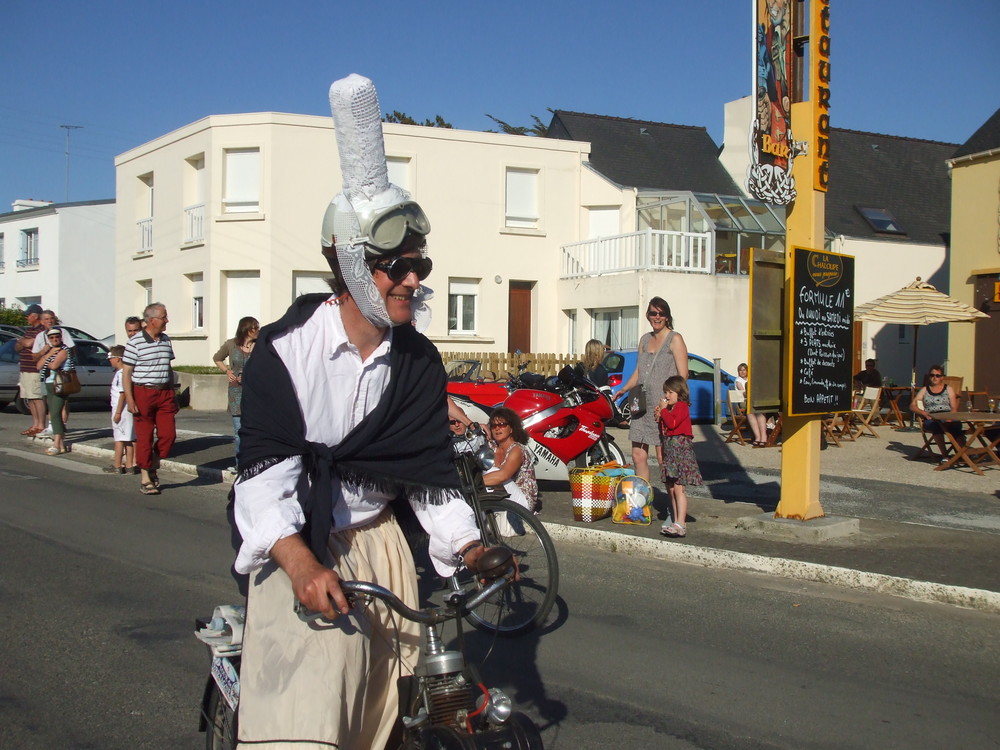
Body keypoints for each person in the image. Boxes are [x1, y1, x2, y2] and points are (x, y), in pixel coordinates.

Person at [231, 73, 490, 749]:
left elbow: (427, 475)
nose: (411, 279)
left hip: (382, 544)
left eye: (417, 264)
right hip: (305, 541)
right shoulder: (285, 355)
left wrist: (469, 542)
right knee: (308, 721)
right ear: (346, 267)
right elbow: (263, 483)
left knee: (387, 722)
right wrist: (297, 562)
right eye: (390, 265)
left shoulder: (418, 362)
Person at [619, 297, 689, 481]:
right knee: (637, 456)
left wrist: (668, 402)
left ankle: (671, 502)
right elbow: (639, 371)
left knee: (662, 458)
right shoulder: (644, 339)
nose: (657, 317)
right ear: (647, 315)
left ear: (667, 317)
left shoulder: (675, 339)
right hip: (641, 404)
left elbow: (682, 376)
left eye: (661, 313)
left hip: (662, 406)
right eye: (653, 313)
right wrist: (624, 389)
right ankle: (643, 503)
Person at [122, 303, 177, 496]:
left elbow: (168, 368)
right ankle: (145, 476)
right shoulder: (135, 343)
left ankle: (153, 462)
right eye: (164, 317)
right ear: (152, 320)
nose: (167, 321)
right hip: (143, 392)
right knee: (144, 436)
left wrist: (173, 393)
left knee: (168, 435)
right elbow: (126, 373)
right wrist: (130, 399)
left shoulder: (165, 340)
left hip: (164, 393)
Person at [655, 375, 703, 538]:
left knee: (679, 488)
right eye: (665, 392)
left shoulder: (682, 406)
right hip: (671, 450)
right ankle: (676, 520)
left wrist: (663, 411)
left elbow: (673, 424)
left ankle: (680, 523)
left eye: (670, 392)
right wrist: (660, 415)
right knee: (670, 486)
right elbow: (666, 427)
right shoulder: (670, 409)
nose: (666, 396)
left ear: (679, 392)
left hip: (680, 451)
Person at [212, 316, 259, 468]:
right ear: (246, 329)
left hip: (255, 392)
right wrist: (227, 371)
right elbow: (217, 358)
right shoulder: (231, 344)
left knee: (255, 430)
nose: (257, 330)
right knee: (239, 430)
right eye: (255, 328)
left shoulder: (260, 345)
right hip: (236, 392)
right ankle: (240, 465)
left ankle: (254, 462)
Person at [482, 406, 538, 513]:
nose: (497, 428)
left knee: (492, 471)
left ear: (511, 428)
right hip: (504, 496)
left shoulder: (517, 449)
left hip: (523, 502)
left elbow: (503, 475)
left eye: (502, 425)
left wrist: (472, 484)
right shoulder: (491, 447)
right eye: (494, 426)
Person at [31, 309, 76, 432]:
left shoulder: (63, 332)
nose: (49, 321)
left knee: (63, 402)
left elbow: (71, 350)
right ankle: (52, 426)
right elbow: (35, 357)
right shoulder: (40, 336)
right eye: (46, 319)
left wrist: (61, 357)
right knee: (49, 401)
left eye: (51, 318)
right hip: (47, 376)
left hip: (62, 375)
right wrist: (44, 352)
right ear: (42, 322)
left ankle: (62, 425)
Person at [36, 328, 75, 456]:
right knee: (52, 411)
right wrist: (47, 354)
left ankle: (56, 444)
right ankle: (61, 445)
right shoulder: (51, 351)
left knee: (55, 413)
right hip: (48, 383)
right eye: (51, 338)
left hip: (60, 384)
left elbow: (54, 366)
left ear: (61, 337)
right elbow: (38, 365)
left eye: (56, 337)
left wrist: (47, 358)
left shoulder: (64, 350)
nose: (54, 339)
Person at [912, 365, 964, 461]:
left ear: (942, 377)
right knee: (936, 426)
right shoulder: (924, 390)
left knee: (956, 425)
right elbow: (912, 405)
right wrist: (923, 413)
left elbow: (954, 407)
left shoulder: (948, 389)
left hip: (947, 415)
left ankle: (962, 453)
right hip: (931, 417)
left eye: (937, 375)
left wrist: (950, 417)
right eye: (932, 375)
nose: (934, 377)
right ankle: (945, 455)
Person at [15, 304, 47, 436]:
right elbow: (17, 347)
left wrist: (23, 341)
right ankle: (35, 424)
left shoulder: (41, 331)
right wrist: (23, 341)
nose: (27, 317)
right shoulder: (29, 331)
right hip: (25, 369)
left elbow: (27, 344)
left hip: (35, 369)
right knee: (30, 398)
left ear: (36, 316)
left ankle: (41, 425)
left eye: (29, 315)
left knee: (37, 397)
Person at [104, 345, 137, 474]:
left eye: (110, 358)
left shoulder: (122, 374)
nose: (109, 360)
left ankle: (117, 465)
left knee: (119, 439)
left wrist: (117, 412)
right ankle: (129, 465)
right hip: (124, 411)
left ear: (118, 358)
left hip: (122, 411)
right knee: (128, 438)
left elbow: (122, 393)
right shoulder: (123, 372)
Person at [735, 362, 769, 447]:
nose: (742, 372)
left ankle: (763, 437)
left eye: (744, 370)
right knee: (752, 412)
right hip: (745, 402)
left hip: (755, 401)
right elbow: (744, 393)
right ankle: (758, 437)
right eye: (740, 370)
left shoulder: (752, 379)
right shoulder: (738, 381)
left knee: (759, 411)